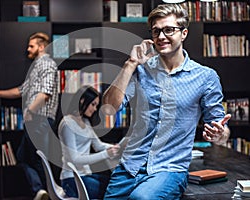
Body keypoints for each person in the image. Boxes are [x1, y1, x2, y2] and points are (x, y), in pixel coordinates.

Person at [102, 4, 231, 200]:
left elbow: (221, 129)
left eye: (169, 29)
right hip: (129, 167)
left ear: (184, 33)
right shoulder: (141, 70)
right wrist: (130, 64)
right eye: (156, 31)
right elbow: (108, 109)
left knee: (141, 199)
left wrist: (219, 133)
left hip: (169, 170)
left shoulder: (205, 77)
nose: (161, 36)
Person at [0, 32, 58, 200]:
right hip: (34, 121)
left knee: (39, 160)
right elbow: (20, 91)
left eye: (31, 46)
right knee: (23, 157)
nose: (27, 49)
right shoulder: (36, 66)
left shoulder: (46, 63)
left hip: (40, 120)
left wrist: (30, 111)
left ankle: (46, 192)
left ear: (41, 46)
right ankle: (41, 191)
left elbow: (45, 93)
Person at [58, 85, 120, 199]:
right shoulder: (67, 123)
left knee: (117, 184)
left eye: (96, 105)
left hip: (85, 175)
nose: (95, 109)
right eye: (93, 104)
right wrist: (107, 154)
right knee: (113, 191)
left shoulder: (85, 122)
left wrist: (117, 147)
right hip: (71, 179)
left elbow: (98, 145)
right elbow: (75, 159)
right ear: (82, 101)